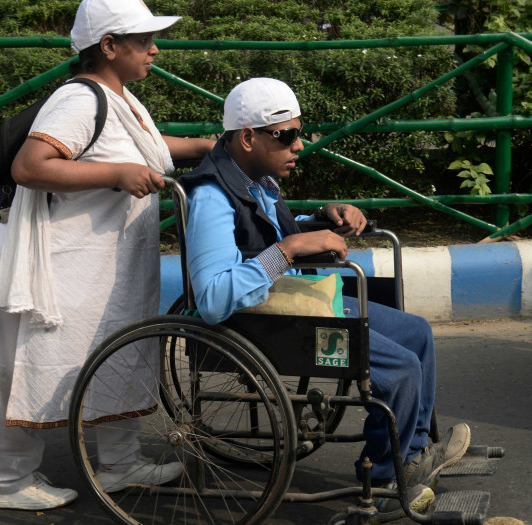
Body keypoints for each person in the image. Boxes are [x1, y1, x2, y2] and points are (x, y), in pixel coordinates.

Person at [179, 77, 472, 523]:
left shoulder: (253, 179)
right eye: (287, 136)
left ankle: (412, 453)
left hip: (288, 299)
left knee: (417, 333)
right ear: (248, 138)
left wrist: (320, 219)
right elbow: (214, 297)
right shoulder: (212, 196)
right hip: (258, 319)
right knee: (400, 367)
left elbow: (263, 231)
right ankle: (389, 477)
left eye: (300, 134)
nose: (299, 145)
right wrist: (290, 250)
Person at [0, 0, 215, 511]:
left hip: (92, 265)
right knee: (29, 364)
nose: (154, 50)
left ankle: (121, 463)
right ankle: (6, 482)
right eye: (143, 41)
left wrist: (202, 146)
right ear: (109, 46)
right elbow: (31, 165)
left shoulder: (119, 98)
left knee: (115, 350)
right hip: (47, 265)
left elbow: (139, 145)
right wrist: (115, 175)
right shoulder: (79, 99)